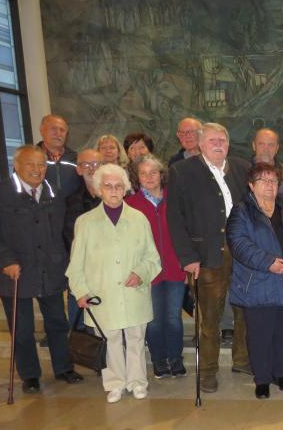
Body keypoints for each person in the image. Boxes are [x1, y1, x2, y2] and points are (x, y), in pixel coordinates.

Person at [0, 145, 84, 394]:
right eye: (30, 164)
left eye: (41, 164)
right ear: (17, 165)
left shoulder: (55, 194)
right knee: (22, 329)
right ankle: (30, 375)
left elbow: (66, 231)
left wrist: (70, 260)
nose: (36, 169)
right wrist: (5, 260)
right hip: (14, 272)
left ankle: (64, 367)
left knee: (57, 322)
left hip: (51, 269)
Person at [167, 122, 251, 393]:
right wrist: (187, 257)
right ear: (200, 144)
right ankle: (207, 371)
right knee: (209, 318)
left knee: (244, 311)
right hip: (205, 255)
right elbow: (175, 218)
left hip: (241, 253)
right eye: (213, 140)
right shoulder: (182, 171)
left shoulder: (240, 167)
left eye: (223, 140)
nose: (218, 144)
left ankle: (242, 359)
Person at [67, 163, 161, 403]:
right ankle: (115, 383)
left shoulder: (138, 219)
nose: (113, 191)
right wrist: (80, 291)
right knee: (110, 341)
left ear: (126, 188)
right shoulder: (85, 222)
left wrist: (141, 272)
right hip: (102, 292)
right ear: (99, 189)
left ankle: (138, 381)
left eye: (118, 186)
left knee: (136, 339)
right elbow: (76, 263)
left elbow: (152, 257)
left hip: (134, 290)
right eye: (108, 186)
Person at [227, 162, 283, 399]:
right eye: (263, 181)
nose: (269, 186)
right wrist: (268, 262)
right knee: (260, 335)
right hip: (259, 284)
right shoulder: (242, 211)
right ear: (251, 185)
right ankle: (262, 379)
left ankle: (281, 373)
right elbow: (239, 244)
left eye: (273, 181)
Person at [125, 155, 187, 379]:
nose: (149, 177)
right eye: (143, 173)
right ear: (137, 177)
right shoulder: (131, 204)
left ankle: (176, 358)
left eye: (153, 172)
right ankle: (159, 360)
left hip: (174, 268)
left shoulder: (176, 199)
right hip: (147, 272)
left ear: (162, 175)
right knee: (152, 320)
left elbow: (187, 231)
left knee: (173, 318)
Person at [64, 148, 103, 330]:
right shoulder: (69, 202)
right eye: (86, 164)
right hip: (81, 274)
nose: (92, 169)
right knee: (79, 329)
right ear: (78, 169)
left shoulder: (118, 198)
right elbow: (66, 238)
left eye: (96, 164)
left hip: (109, 274)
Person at [38, 114, 81, 199]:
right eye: (53, 129)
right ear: (42, 130)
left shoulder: (76, 159)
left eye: (62, 130)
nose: (58, 134)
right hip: (41, 210)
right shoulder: (29, 158)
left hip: (73, 210)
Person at [251, 127, 283, 199]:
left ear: (277, 148)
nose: (266, 149)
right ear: (254, 146)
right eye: (261, 144)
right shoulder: (242, 171)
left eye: (270, 145)